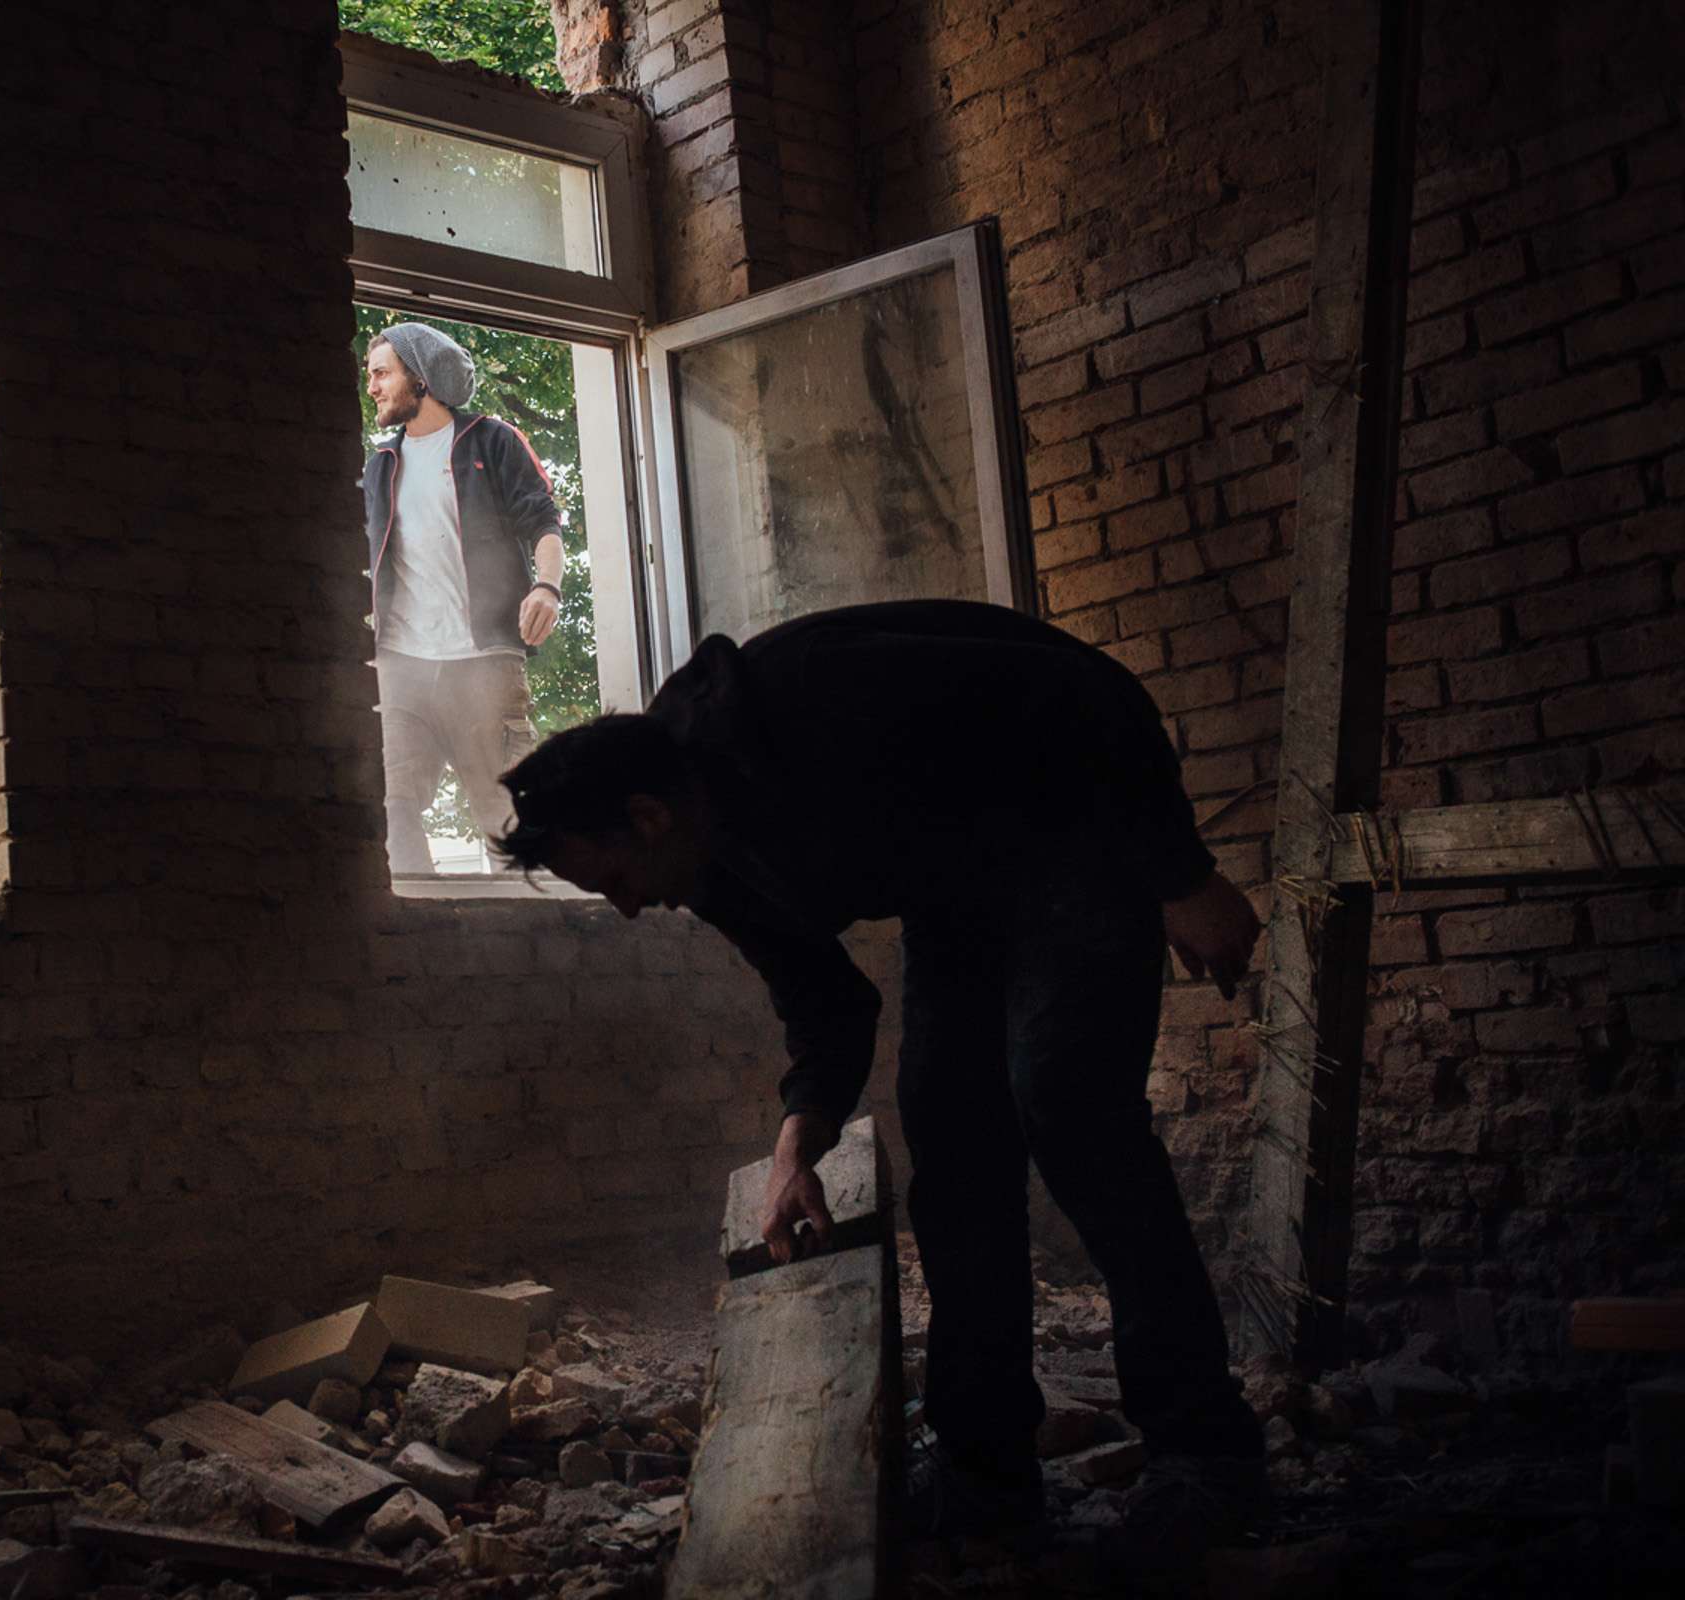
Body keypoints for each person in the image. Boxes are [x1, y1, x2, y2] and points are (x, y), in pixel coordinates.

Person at [492, 600, 1271, 1575]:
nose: (628, 904)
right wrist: (795, 1144)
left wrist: (1178, 873)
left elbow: (1079, 696)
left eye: (613, 875)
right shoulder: (709, 864)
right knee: (949, 1153)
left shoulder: (805, 694)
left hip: (1065, 841)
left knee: (1067, 1105)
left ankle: (1205, 1452)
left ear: (647, 816)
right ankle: (987, 1477)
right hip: (952, 899)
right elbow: (824, 1004)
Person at [362, 323, 567, 873]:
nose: (373, 387)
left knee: (506, 816)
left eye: (382, 373)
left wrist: (547, 586)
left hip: (483, 663)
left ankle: (531, 934)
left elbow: (544, 521)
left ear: (421, 378)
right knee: (390, 803)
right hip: (400, 666)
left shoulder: (491, 439)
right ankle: (415, 930)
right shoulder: (379, 464)